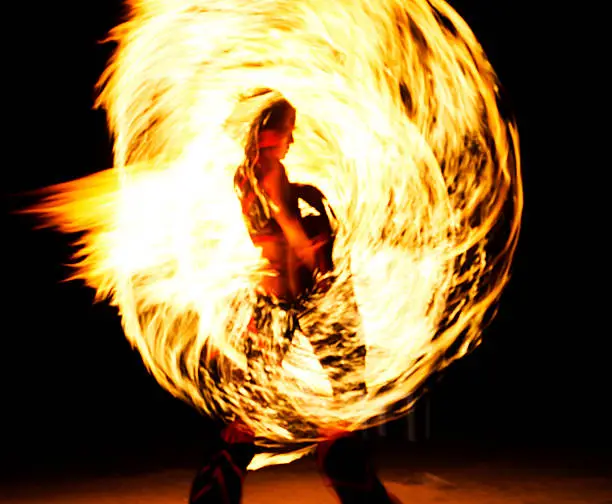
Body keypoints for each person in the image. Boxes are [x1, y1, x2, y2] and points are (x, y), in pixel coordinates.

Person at [189, 91, 396, 504]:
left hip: (266, 294)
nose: (292, 140)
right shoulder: (273, 172)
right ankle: (346, 466)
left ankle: (220, 478)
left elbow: (265, 227)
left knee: (250, 403)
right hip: (299, 291)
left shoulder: (242, 173)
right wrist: (317, 260)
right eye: (288, 131)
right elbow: (287, 224)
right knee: (349, 382)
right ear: (266, 132)